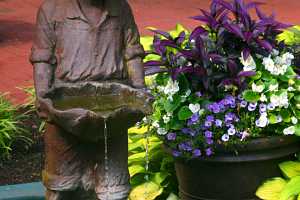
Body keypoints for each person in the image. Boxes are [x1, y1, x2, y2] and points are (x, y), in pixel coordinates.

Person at [30, 0, 145, 199]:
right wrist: (43, 98)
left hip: (113, 107)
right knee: (61, 186)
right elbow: (42, 57)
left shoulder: (120, 7)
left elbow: (132, 52)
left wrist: (140, 90)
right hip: (66, 109)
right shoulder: (52, 9)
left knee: (115, 190)